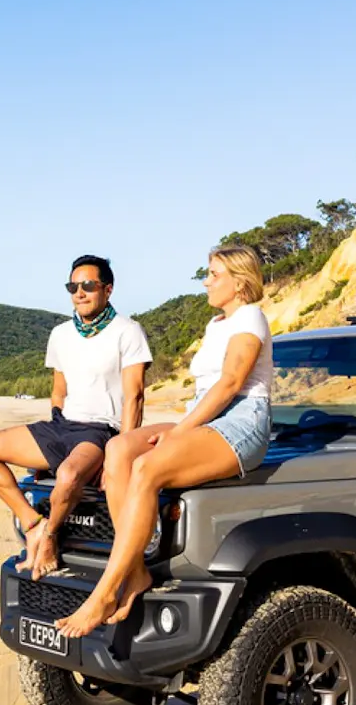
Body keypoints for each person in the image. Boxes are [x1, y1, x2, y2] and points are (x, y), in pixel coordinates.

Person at [57, 243, 273, 634]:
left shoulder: (251, 318)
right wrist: (184, 427)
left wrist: (179, 433)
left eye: (214, 274)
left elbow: (230, 385)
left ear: (239, 283)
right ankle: (136, 571)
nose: (206, 281)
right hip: (206, 417)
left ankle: (106, 591)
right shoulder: (216, 324)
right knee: (119, 448)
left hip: (241, 422)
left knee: (146, 468)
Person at [0, 255, 151, 577]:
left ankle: (50, 535)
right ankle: (32, 524)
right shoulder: (61, 334)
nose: (79, 292)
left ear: (107, 289)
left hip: (100, 431)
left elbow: (134, 396)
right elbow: (58, 390)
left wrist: (118, 456)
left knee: (67, 476)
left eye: (88, 285)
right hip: (61, 425)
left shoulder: (128, 331)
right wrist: (54, 423)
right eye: (73, 286)